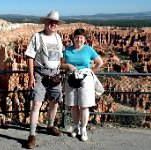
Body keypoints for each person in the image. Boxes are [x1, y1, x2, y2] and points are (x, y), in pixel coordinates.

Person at [25, 10, 64, 149]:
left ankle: (50, 126)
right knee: (36, 104)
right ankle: (32, 135)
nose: (53, 24)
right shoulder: (37, 36)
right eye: (51, 21)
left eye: (55, 22)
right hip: (40, 75)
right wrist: (31, 77)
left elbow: (60, 58)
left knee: (54, 102)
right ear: (46, 22)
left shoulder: (58, 38)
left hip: (55, 74)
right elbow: (30, 57)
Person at [60, 28, 104, 141]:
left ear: (84, 39)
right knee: (74, 105)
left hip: (85, 79)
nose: (79, 39)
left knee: (84, 105)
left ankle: (83, 129)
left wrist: (91, 72)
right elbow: (61, 65)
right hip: (71, 78)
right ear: (73, 38)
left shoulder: (89, 49)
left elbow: (100, 62)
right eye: (77, 37)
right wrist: (68, 66)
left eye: (81, 37)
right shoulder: (67, 50)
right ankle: (76, 127)